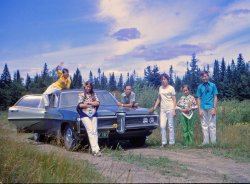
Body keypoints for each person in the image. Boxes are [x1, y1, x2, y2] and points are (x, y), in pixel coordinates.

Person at [150, 73, 176, 147]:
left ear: (167, 80)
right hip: (163, 109)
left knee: (170, 126)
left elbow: (174, 100)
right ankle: (164, 142)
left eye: (164, 79)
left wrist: (174, 110)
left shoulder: (171, 88)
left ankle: (171, 143)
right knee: (162, 126)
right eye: (162, 79)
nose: (163, 81)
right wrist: (154, 107)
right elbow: (159, 98)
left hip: (170, 108)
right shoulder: (160, 88)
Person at [77, 81, 101, 157]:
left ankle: (97, 150)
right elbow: (80, 105)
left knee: (94, 131)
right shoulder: (81, 95)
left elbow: (97, 103)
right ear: (85, 87)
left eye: (90, 87)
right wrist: (91, 103)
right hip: (84, 114)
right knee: (90, 131)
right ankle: (95, 150)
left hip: (94, 114)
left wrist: (88, 103)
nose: (88, 88)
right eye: (87, 86)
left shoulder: (94, 94)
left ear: (91, 87)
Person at [196, 71, 218, 145]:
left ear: (208, 76)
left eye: (206, 76)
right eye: (203, 76)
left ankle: (213, 142)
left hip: (211, 107)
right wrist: (199, 109)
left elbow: (215, 97)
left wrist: (214, 108)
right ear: (201, 78)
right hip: (203, 107)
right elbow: (198, 98)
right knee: (204, 125)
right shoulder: (200, 87)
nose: (204, 78)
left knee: (212, 125)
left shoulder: (213, 85)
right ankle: (205, 142)